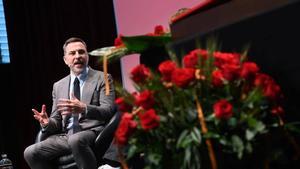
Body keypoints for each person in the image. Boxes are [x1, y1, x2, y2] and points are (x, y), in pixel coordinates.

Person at [24, 37, 120, 169]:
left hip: (92, 131)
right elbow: (57, 120)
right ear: (65, 60)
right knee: (30, 152)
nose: (78, 56)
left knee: (76, 140)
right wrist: (46, 123)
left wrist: (84, 108)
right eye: (72, 53)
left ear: (87, 56)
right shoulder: (59, 86)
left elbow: (108, 110)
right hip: (66, 136)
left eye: (81, 52)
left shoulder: (102, 78)